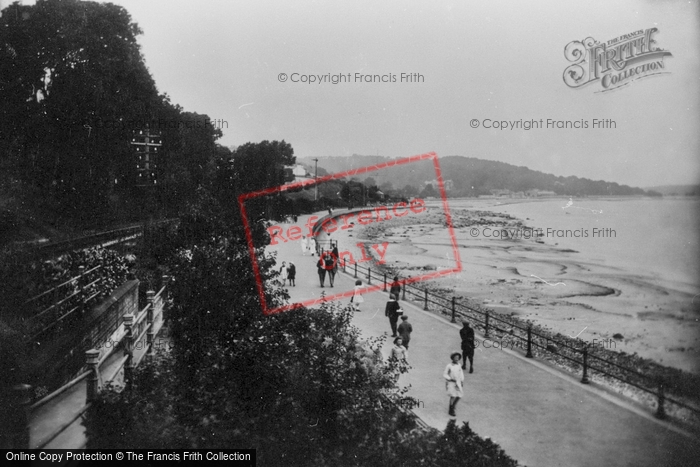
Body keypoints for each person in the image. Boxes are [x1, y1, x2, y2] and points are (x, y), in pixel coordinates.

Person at [443, 352, 465, 417]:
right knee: (453, 396)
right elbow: (445, 374)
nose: (457, 358)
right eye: (455, 357)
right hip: (451, 383)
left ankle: (453, 405)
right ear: (453, 358)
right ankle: (451, 410)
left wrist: (462, 381)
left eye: (458, 357)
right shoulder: (449, 366)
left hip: (458, 382)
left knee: (459, 395)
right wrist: (449, 378)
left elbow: (461, 374)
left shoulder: (459, 365)